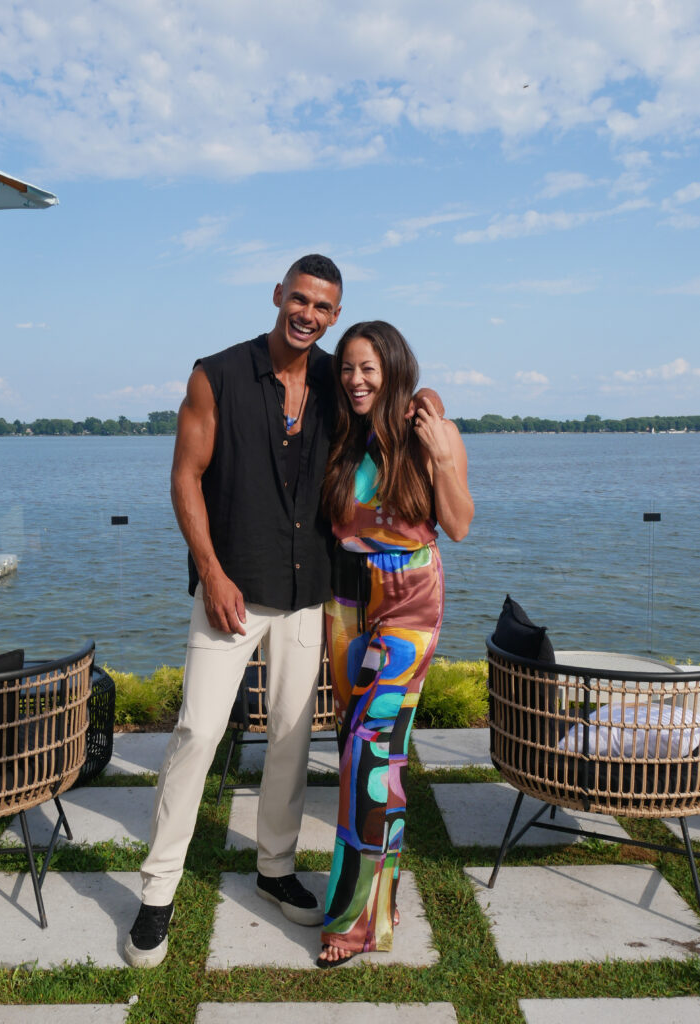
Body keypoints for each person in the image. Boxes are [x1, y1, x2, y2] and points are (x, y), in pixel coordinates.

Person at [124, 254, 343, 968]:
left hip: (307, 594)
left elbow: (387, 409)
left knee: (289, 739)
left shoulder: (339, 381)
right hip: (229, 592)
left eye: (323, 307)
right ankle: (157, 891)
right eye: (300, 299)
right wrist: (211, 573)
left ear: (333, 316)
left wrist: (422, 399)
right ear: (278, 296)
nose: (307, 314)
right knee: (195, 734)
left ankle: (275, 868)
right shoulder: (213, 374)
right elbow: (184, 476)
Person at [316, 320, 473, 967]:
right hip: (345, 602)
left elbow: (458, 524)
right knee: (370, 754)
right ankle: (384, 894)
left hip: (408, 599)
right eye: (347, 368)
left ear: (393, 370)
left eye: (368, 368)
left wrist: (438, 452)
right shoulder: (340, 437)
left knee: (366, 753)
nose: (355, 379)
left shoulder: (428, 429)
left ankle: (353, 923)